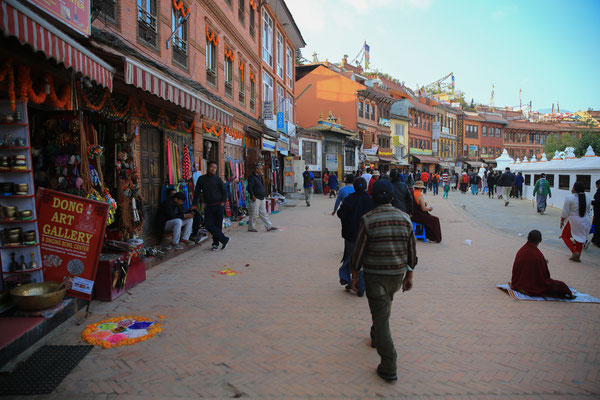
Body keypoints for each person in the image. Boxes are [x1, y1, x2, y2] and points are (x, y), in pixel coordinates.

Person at [350, 179, 417, 383]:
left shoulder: (368, 219)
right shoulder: (405, 219)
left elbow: (359, 251)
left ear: (372, 197)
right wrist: (409, 275)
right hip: (396, 276)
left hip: (375, 275)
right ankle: (375, 336)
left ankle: (389, 364)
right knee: (383, 308)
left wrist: (354, 276)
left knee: (381, 317)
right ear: (393, 197)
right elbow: (411, 253)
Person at [510, 230, 573, 298]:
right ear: (540, 240)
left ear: (528, 238)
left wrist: (542, 263)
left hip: (516, 284)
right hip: (529, 286)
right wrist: (543, 263)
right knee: (561, 285)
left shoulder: (522, 250)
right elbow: (543, 277)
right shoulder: (537, 254)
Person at [337, 177, 375, 291]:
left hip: (350, 235)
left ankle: (348, 279)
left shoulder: (349, 199)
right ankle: (363, 281)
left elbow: (341, 214)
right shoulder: (371, 201)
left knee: (349, 257)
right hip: (366, 236)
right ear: (366, 187)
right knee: (365, 258)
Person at [192, 161, 230, 251]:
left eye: (215, 168)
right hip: (209, 206)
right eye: (212, 167)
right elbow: (197, 192)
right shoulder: (201, 179)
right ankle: (224, 239)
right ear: (208, 167)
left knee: (217, 226)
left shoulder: (218, 179)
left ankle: (215, 244)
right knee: (208, 225)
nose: (213, 169)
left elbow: (224, 191)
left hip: (219, 206)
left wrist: (223, 202)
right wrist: (194, 204)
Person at [560, 182, 592, 262]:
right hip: (585, 220)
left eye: (573, 187)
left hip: (574, 220)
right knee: (580, 239)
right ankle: (578, 256)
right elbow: (588, 212)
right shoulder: (587, 199)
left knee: (564, 236)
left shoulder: (569, 198)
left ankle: (575, 252)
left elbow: (565, 212)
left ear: (575, 188)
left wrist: (562, 221)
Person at [247, 163, 278, 233]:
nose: (261, 170)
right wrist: (252, 196)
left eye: (262, 169)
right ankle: (251, 227)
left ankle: (269, 226)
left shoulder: (260, 177)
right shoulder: (252, 177)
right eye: (260, 169)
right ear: (257, 169)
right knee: (254, 213)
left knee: (264, 213)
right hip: (255, 198)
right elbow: (249, 188)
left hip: (261, 197)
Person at [592, 179, 600, 247]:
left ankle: (597, 241)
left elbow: (598, 202)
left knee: (597, 226)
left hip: (598, 212)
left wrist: (591, 202)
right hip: (597, 211)